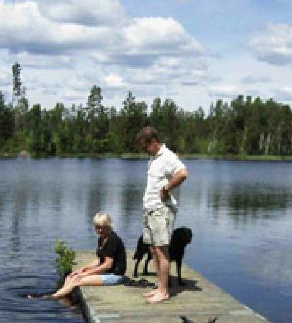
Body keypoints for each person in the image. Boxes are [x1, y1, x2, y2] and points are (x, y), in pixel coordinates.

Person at [136, 126, 188, 304]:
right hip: (150, 208)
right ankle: (159, 287)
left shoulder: (168, 157)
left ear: (153, 142)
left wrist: (167, 189)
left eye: (145, 147)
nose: (143, 151)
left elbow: (182, 173)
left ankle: (164, 291)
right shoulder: (153, 158)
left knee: (161, 249)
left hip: (161, 209)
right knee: (152, 249)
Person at [48, 212, 126, 299]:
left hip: (115, 275)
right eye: (97, 227)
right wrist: (81, 270)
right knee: (70, 277)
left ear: (108, 226)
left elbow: (107, 265)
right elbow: (98, 261)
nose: (100, 230)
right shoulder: (102, 239)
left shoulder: (112, 240)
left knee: (77, 281)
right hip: (107, 273)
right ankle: (62, 297)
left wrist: (85, 274)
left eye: (103, 227)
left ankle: (50, 298)